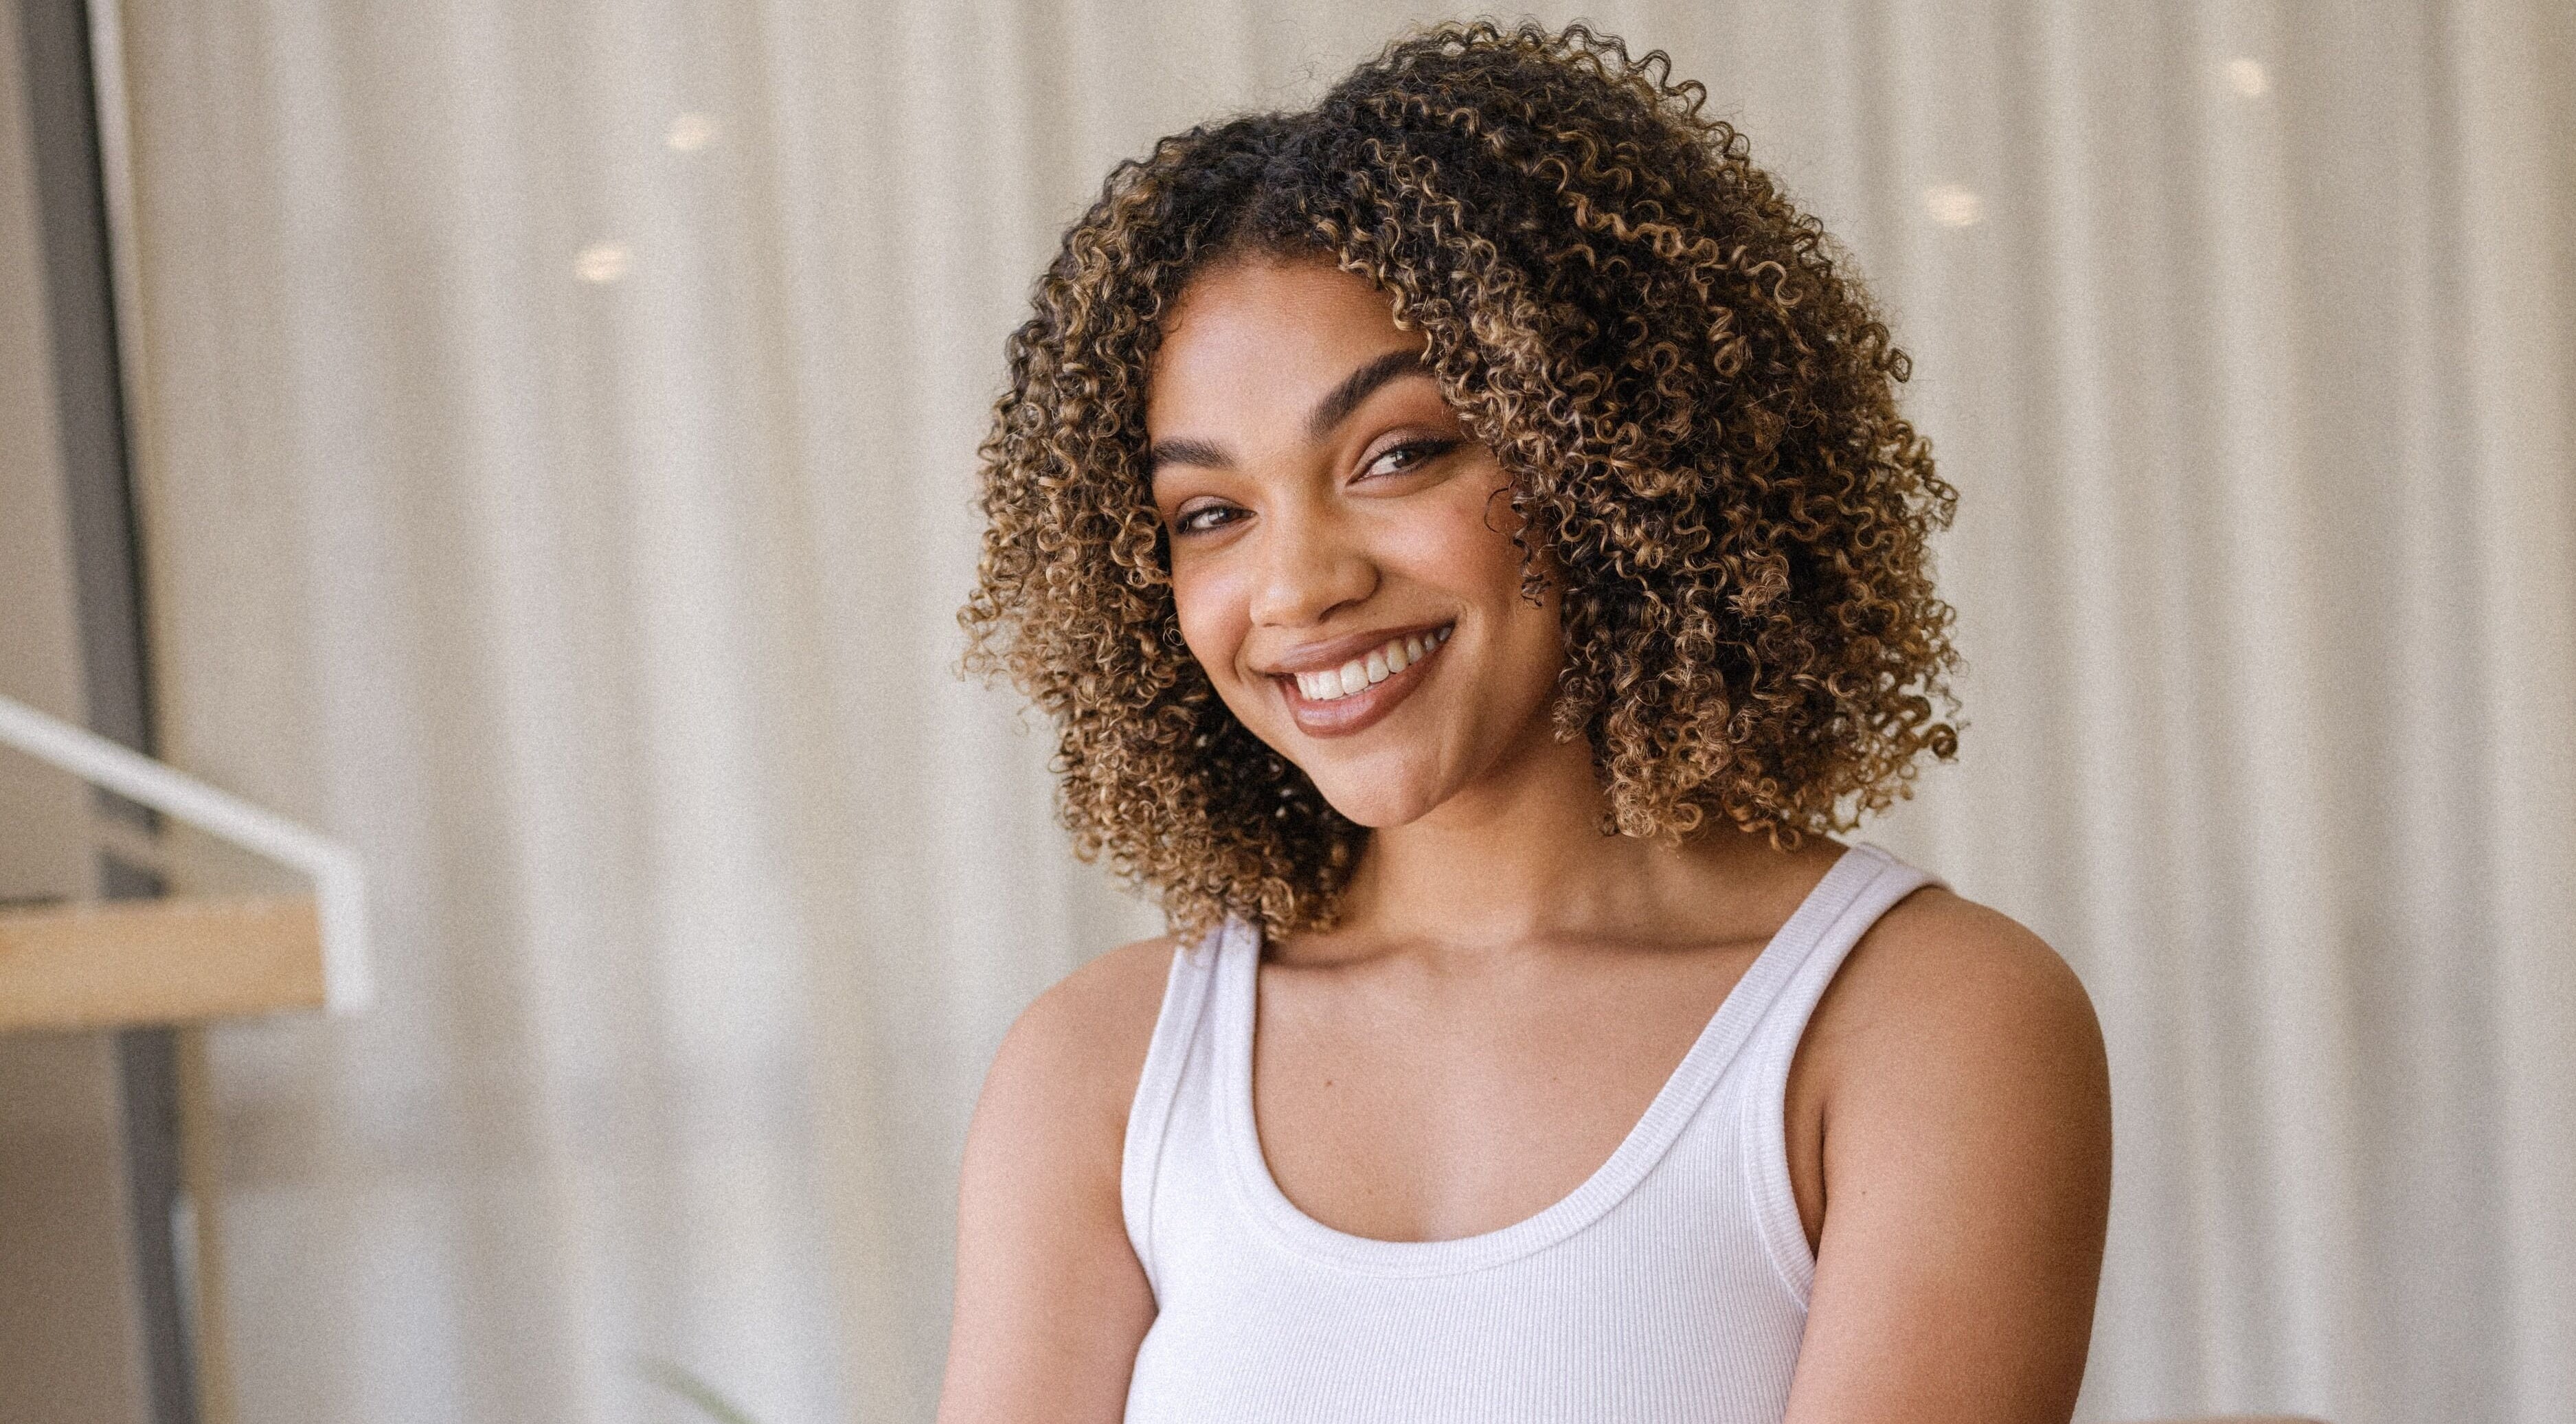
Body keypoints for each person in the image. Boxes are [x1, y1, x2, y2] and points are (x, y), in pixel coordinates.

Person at [942, 21, 2110, 1424]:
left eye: (1400, 453)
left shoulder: (1916, 1021)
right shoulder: (1104, 1073)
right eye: (1210, 513)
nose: (1300, 583)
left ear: (1619, 449)